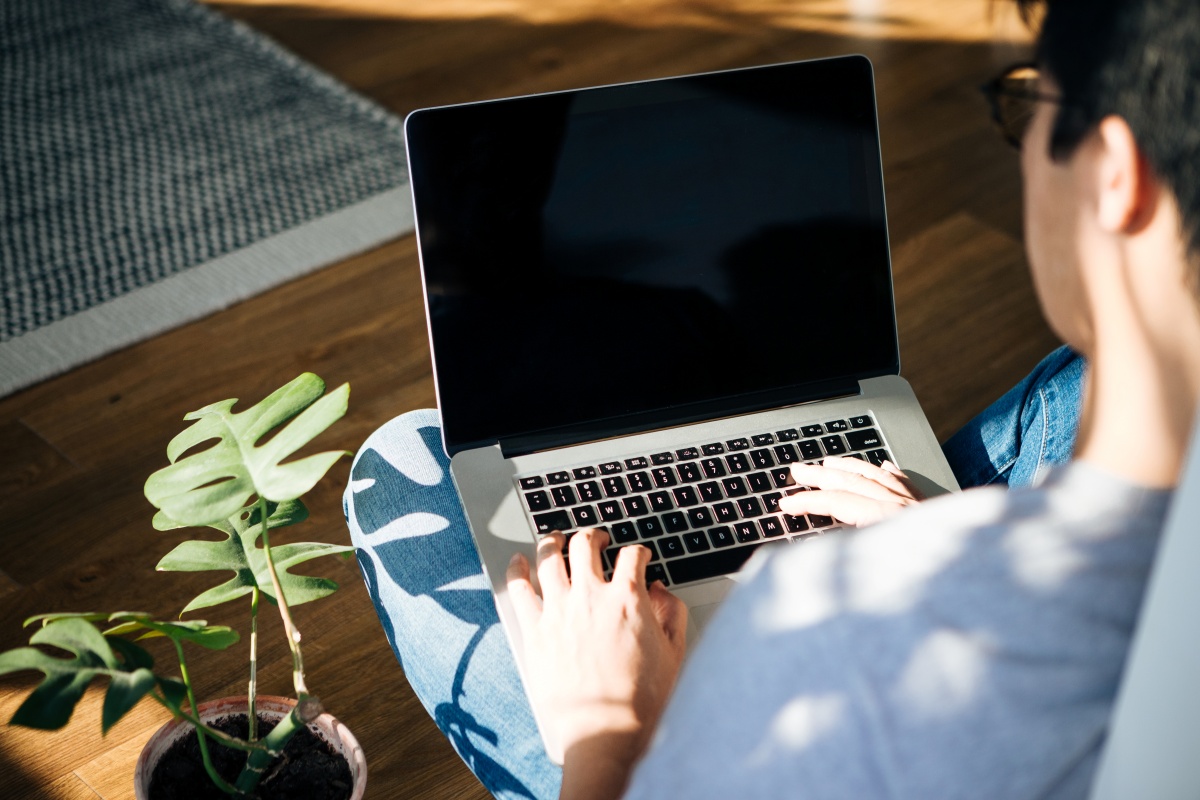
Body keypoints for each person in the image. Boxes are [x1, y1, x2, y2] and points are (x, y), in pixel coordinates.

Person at [343, 0, 1200, 796]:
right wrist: (944, 547)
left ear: (1113, 174)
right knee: (1079, 379)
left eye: (1031, 101)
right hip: (984, 582)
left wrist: (606, 734)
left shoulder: (801, 630)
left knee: (404, 459)